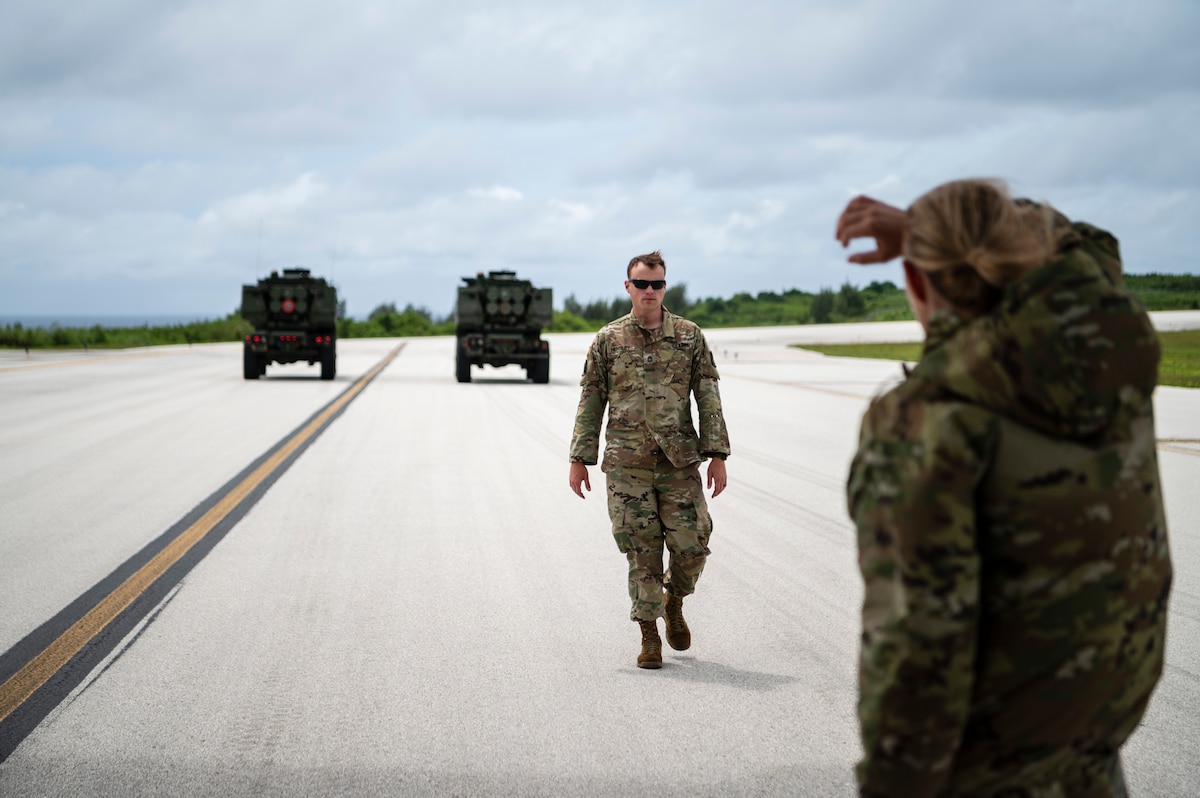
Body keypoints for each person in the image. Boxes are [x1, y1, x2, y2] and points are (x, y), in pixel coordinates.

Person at [836, 179, 1173, 797]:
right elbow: (1084, 247)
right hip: (1090, 751)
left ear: (916, 282)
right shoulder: (1109, 358)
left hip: (990, 773)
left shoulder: (928, 420)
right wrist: (923, 225)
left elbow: (917, 647)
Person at [569, 250, 731, 669]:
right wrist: (579, 458)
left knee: (693, 545)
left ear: (665, 286)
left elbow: (708, 395)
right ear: (628, 287)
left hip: (678, 462)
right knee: (641, 552)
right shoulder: (608, 340)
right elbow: (591, 399)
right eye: (641, 284)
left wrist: (717, 455)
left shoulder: (690, 336)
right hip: (627, 465)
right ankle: (649, 635)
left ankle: (674, 599)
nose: (649, 291)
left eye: (656, 284)